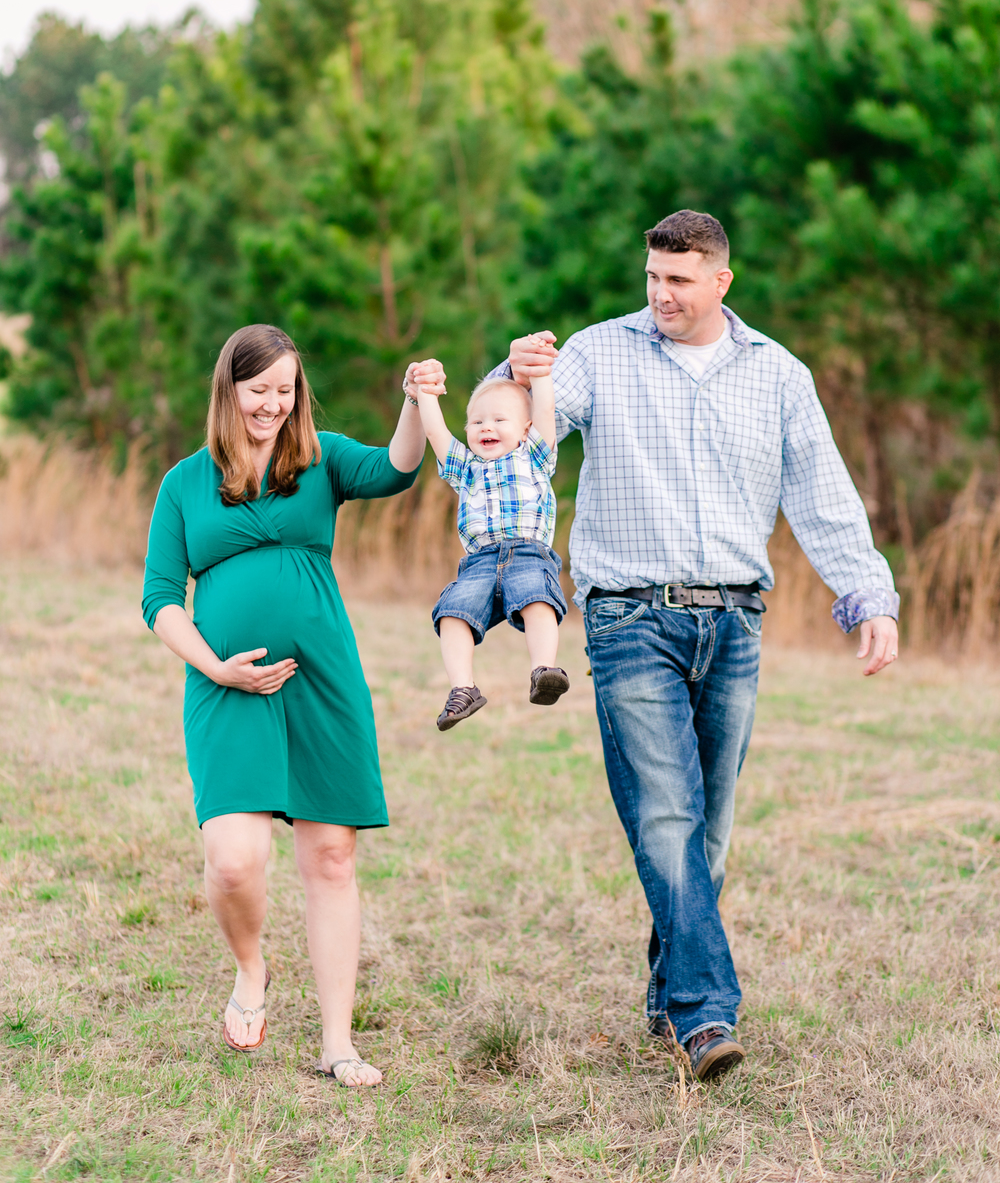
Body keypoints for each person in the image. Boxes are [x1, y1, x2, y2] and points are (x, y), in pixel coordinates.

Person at [497, 210, 900, 1082]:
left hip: (736, 623)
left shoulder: (778, 375)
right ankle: (706, 1014)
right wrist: (516, 371)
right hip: (627, 617)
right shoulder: (600, 354)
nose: (661, 294)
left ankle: (665, 991)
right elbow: (521, 431)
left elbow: (823, 493)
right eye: (652, 276)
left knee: (708, 831)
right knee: (666, 814)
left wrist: (869, 595)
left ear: (721, 279)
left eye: (679, 280)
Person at [141, 324, 426, 1087]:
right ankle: (251, 969)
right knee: (235, 862)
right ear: (228, 390)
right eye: (258, 390)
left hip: (322, 679)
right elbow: (161, 600)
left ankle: (338, 1043)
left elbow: (400, 467)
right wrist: (214, 668)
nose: (271, 405)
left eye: (284, 391)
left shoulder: (323, 459)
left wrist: (413, 400)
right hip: (225, 685)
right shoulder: (185, 482)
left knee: (331, 858)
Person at [409, 354, 570, 729]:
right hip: (479, 563)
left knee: (537, 599)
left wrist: (541, 373)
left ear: (525, 429)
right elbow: (435, 432)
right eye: (477, 421)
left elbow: (545, 409)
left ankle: (543, 669)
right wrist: (426, 392)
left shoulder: (535, 456)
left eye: (500, 420)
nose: (487, 427)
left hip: (529, 554)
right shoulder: (465, 469)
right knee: (451, 612)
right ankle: (463, 689)